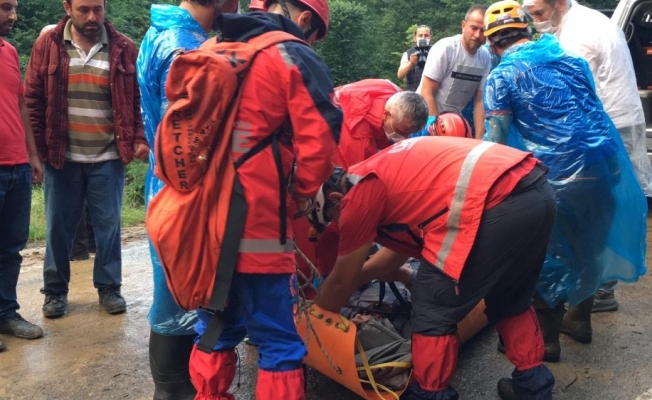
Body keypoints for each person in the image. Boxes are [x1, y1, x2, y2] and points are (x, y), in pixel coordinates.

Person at [313, 137, 556, 400]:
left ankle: (430, 395)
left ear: (336, 199)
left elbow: (339, 283)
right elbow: (395, 254)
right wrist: (367, 278)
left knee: (433, 307)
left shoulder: (358, 197)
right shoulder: (375, 173)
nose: (339, 225)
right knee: (511, 296)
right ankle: (533, 388)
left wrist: (318, 316)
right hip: (535, 188)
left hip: (494, 201)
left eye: (332, 220)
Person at [186, 1, 342, 398]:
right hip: (259, 225)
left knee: (215, 326)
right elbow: (321, 139)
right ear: (306, 20)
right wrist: (303, 195)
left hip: (202, 224)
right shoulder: (291, 53)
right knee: (278, 340)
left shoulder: (209, 49)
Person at [483, 0, 647, 362]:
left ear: (493, 44)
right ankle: (579, 320)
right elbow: (593, 110)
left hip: (559, 177)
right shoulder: (570, 60)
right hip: (604, 167)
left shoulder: (502, 76)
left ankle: (548, 339)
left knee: (547, 255)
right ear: (527, 30)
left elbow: (495, 141)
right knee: (588, 247)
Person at [136, 0, 239, 398]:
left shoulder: (161, 30)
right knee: (182, 290)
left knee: (174, 288)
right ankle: (174, 387)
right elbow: (189, 140)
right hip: (185, 188)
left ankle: (174, 385)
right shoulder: (186, 47)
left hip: (165, 182)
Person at [523, 0, 652, 314]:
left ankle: (597, 291)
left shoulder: (579, 34)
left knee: (593, 212)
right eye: (531, 16)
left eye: (539, 13)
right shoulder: (582, 23)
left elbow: (568, 95)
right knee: (602, 210)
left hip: (607, 127)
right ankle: (597, 288)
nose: (536, 21)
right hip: (610, 123)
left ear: (558, 3)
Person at [24, 0, 149, 319]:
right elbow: (33, 100)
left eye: (98, 9)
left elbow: (135, 100)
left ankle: (109, 288)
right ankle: (54, 292)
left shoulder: (123, 47)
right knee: (58, 229)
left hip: (107, 155)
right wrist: (35, 151)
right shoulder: (48, 44)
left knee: (108, 227)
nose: (92, 17)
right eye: (84, 10)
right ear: (67, 7)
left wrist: (138, 138)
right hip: (61, 157)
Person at [293, 83, 428, 282]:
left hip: (320, 142)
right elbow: (351, 203)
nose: (403, 138)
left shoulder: (391, 94)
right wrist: (371, 247)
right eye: (400, 131)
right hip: (307, 168)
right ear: (387, 115)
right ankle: (319, 294)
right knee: (321, 237)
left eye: (409, 133)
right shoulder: (357, 140)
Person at [0, 0, 45, 353]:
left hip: (15, 165)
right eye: (4, 8)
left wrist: (31, 155)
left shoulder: (10, 52)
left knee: (12, 248)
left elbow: (19, 105)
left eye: (13, 8)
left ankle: (6, 313)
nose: (12, 16)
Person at [417, 5, 490, 138]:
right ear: (463, 26)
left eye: (483, 30)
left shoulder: (485, 57)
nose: (477, 35)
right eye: (473, 28)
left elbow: (479, 101)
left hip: (453, 123)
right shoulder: (446, 48)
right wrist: (435, 129)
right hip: (423, 119)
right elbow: (426, 92)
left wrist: (479, 140)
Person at [397, 25, 432, 92]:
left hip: (432, 93)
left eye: (426, 35)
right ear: (415, 38)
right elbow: (400, 75)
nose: (423, 38)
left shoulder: (437, 51)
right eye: (420, 35)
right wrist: (410, 63)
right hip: (413, 92)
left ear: (430, 37)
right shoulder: (408, 53)